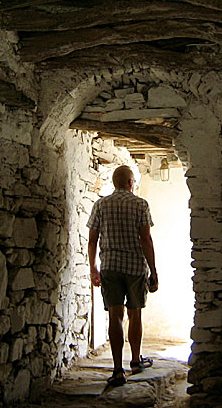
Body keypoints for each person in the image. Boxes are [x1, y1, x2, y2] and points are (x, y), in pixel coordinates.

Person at [88, 165, 159, 387]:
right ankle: (136, 361)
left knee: (115, 316)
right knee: (135, 314)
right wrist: (154, 270)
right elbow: (145, 239)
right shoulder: (140, 204)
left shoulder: (100, 204)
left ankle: (117, 369)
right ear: (130, 183)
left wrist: (93, 267)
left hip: (110, 266)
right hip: (135, 267)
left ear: (114, 182)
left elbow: (92, 239)